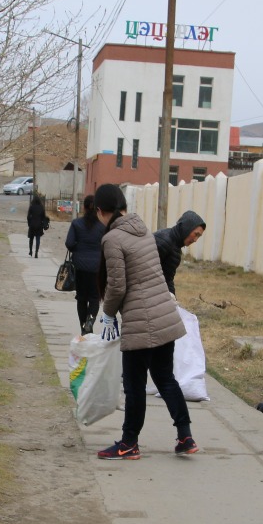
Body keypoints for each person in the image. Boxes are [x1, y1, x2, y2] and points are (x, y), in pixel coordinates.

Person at [91, 183, 198, 459]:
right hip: (164, 314)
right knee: (165, 377)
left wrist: (108, 313)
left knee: (134, 384)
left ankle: (128, 443)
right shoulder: (144, 231)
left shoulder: (112, 239)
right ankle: (185, 436)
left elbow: (117, 286)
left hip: (141, 320)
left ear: (101, 211)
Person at [65, 194, 106, 335]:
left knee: (81, 297)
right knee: (95, 297)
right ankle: (90, 321)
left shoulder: (76, 224)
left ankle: (84, 328)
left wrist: (78, 249)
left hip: (80, 267)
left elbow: (69, 243)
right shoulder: (103, 227)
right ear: (98, 209)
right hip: (97, 268)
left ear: (84, 207)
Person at [153, 209, 206, 296]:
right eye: (195, 234)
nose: (195, 240)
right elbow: (145, 271)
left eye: (199, 236)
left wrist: (172, 297)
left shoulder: (175, 247)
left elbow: (167, 278)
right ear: (187, 228)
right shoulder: (164, 241)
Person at [26, 192, 49, 257]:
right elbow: (43, 217)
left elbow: (28, 216)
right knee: (38, 239)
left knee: (31, 239)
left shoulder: (31, 207)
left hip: (32, 225)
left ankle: (30, 251)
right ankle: (36, 252)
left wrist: (29, 223)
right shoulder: (41, 207)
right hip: (39, 226)